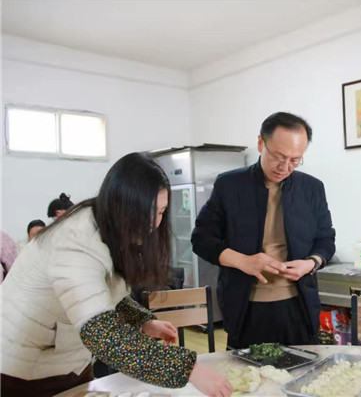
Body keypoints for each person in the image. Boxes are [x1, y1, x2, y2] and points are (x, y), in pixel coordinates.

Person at [1, 153, 232, 397]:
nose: (154, 223)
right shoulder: (75, 240)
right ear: (121, 204)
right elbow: (102, 334)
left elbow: (105, 296)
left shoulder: (112, 227)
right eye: (147, 211)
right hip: (21, 372)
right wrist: (189, 368)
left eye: (161, 211)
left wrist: (143, 321)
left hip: (70, 365)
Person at [192, 111, 336, 349]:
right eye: (278, 156)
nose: (284, 167)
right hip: (246, 308)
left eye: (295, 160)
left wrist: (311, 263)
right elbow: (201, 239)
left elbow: (326, 239)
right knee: (244, 370)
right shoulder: (229, 185)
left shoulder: (312, 188)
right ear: (261, 143)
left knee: (303, 368)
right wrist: (244, 262)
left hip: (297, 306)